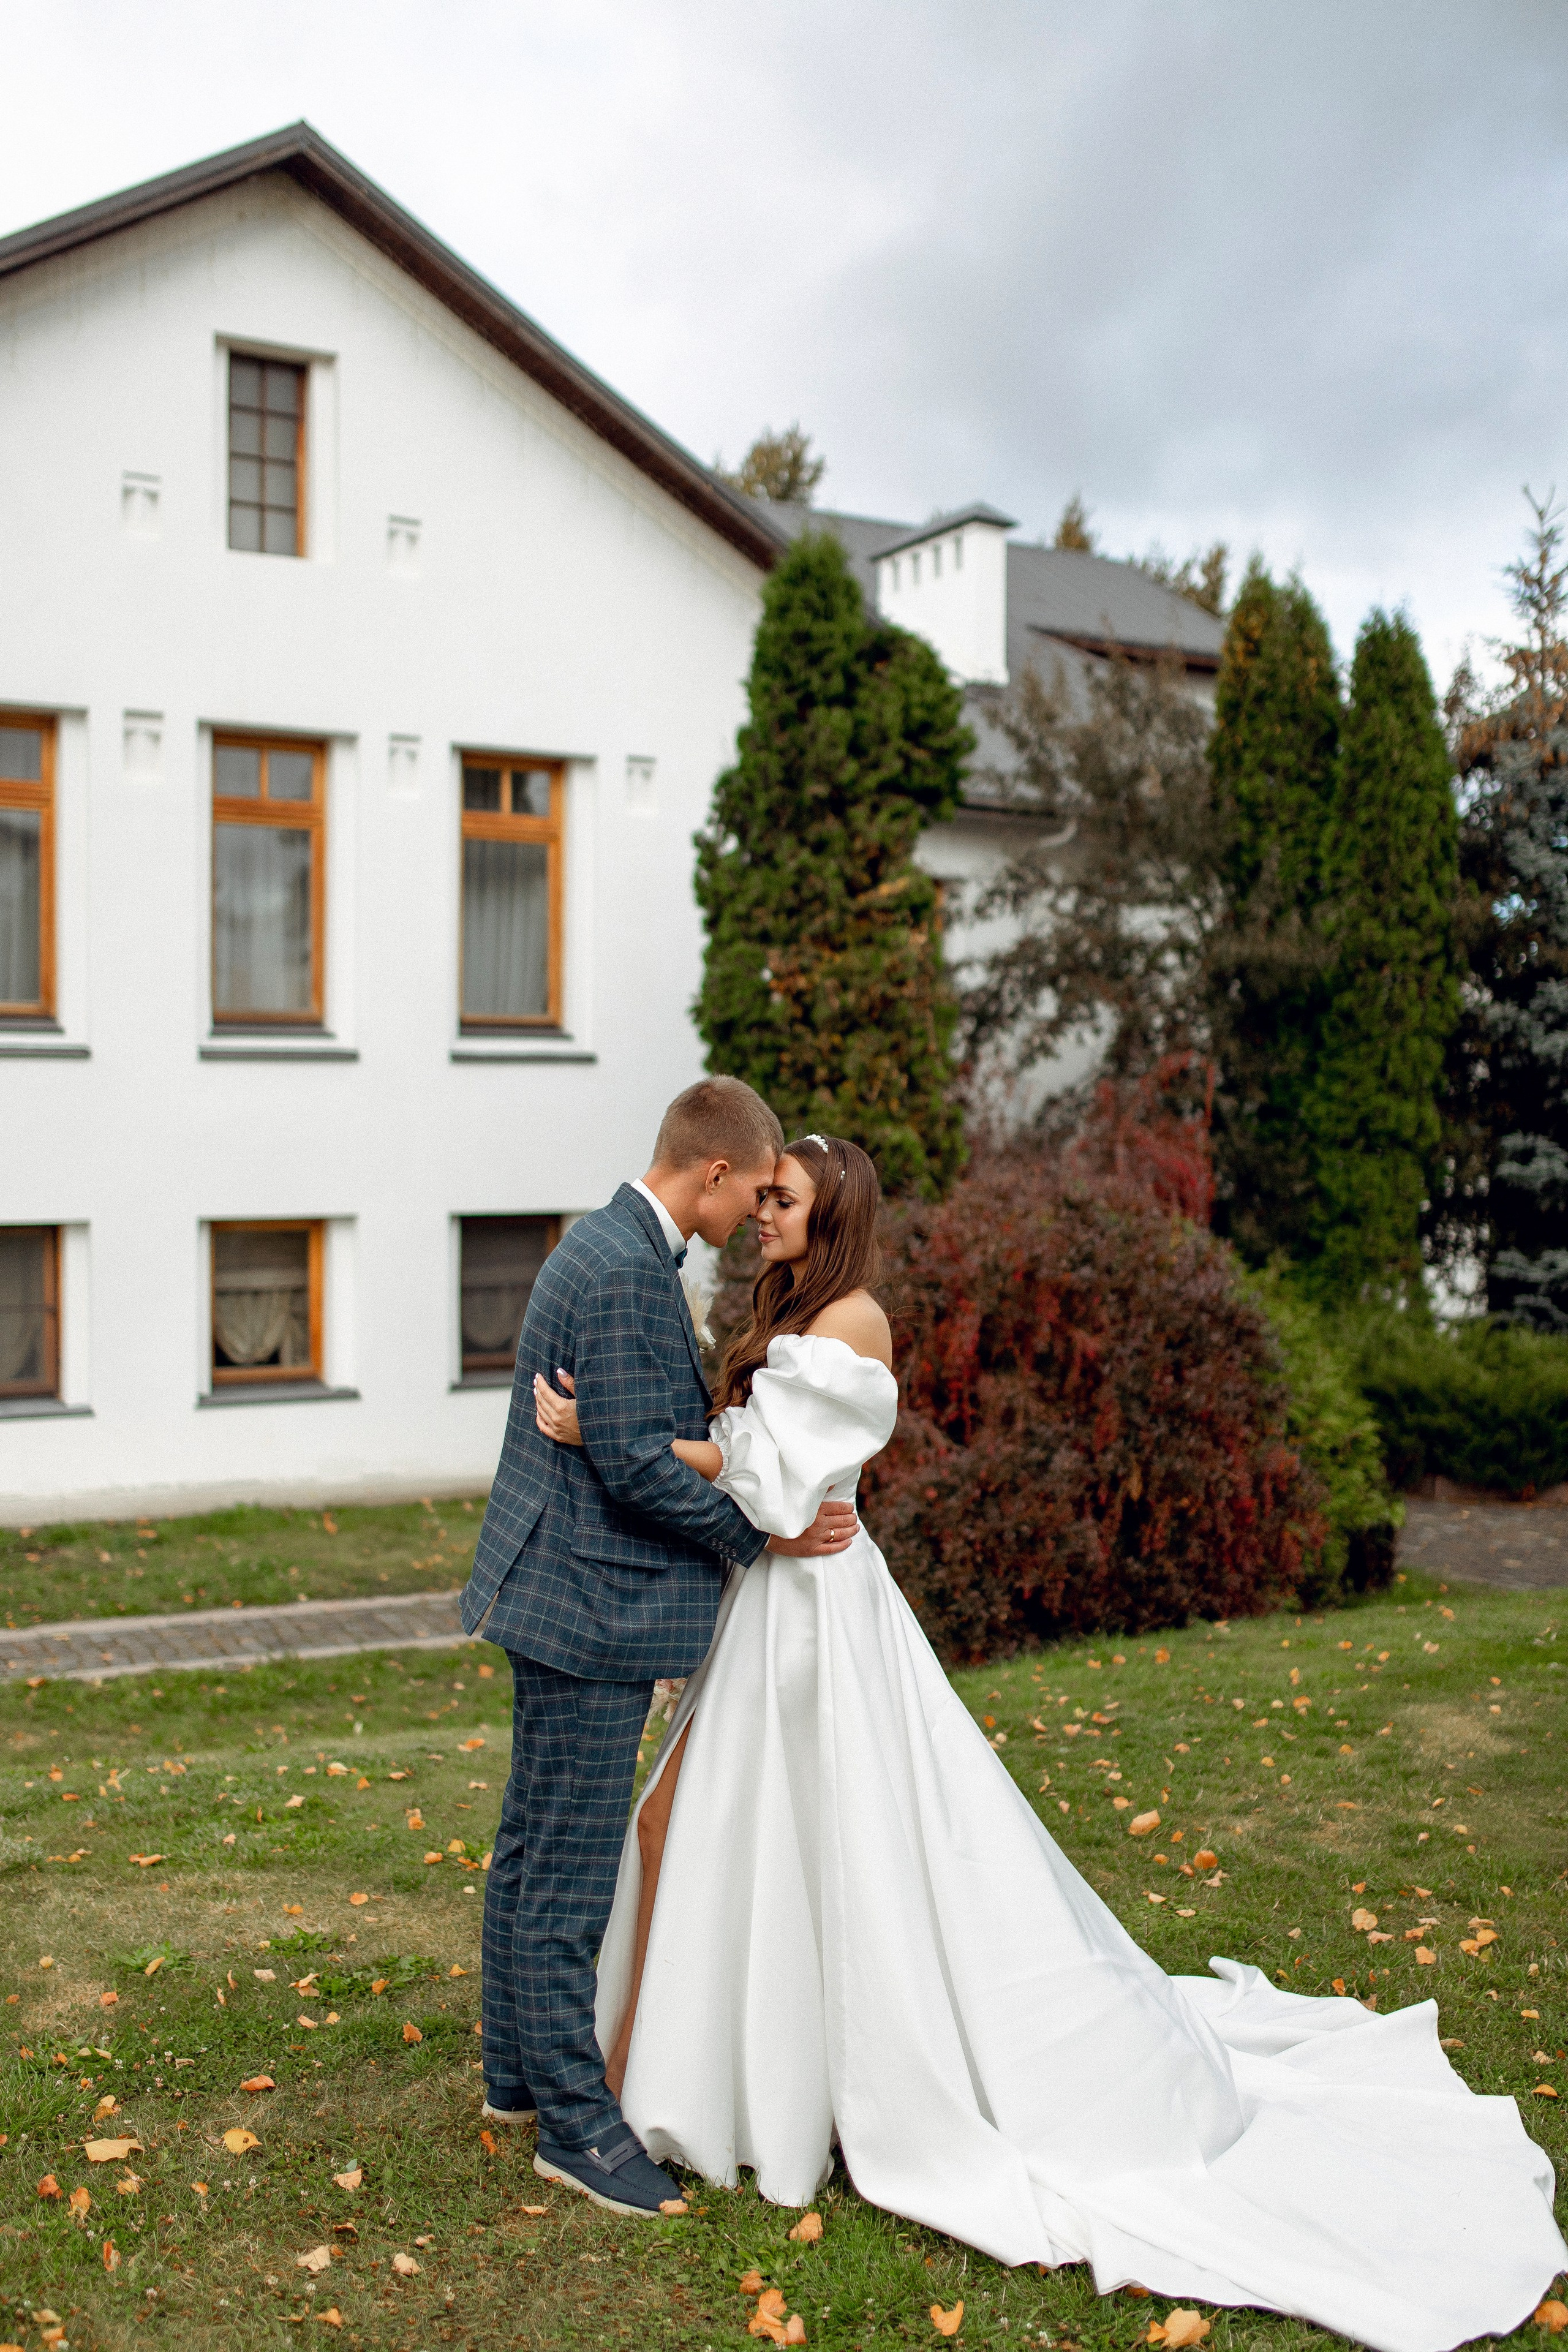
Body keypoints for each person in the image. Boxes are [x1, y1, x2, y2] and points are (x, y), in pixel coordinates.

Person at [534, 1131, 1567, 2352]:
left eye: (784, 1201)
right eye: (761, 1196)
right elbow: (762, 1475)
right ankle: (679, 2069)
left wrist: (610, 1435)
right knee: (715, 1826)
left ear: (833, 1215)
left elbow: (769, 1483)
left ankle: (726, 2083)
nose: (762, 1214)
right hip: (775, 1605)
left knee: (809, 1839)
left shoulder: (850, 1321)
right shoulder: (791, 1310)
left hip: (818, 1619)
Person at [459, 1077, 859, 2222]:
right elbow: (636, 1465)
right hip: (589, 1612)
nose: (750, 1223)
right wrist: (762, 1532)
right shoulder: (630, 1270)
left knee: (533, 1843)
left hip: (556, 1595)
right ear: (716, 1172)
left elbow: (625, 1438)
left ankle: (518, 2076)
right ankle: (579, 2133)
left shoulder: (600, 1244)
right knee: (568, 1870)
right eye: (755, 1192)